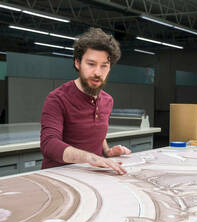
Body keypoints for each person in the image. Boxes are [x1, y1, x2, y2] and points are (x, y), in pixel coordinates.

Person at [40, 27, 131, 175]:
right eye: (91, 64)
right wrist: (90, 157)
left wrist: (107, 151)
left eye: (104, 66)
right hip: (59, 178)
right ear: (77, 63)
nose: (97, 72)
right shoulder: (57, 98)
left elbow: (95, 131)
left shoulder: (107, 100)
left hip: (91, 177)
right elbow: (49, 145)